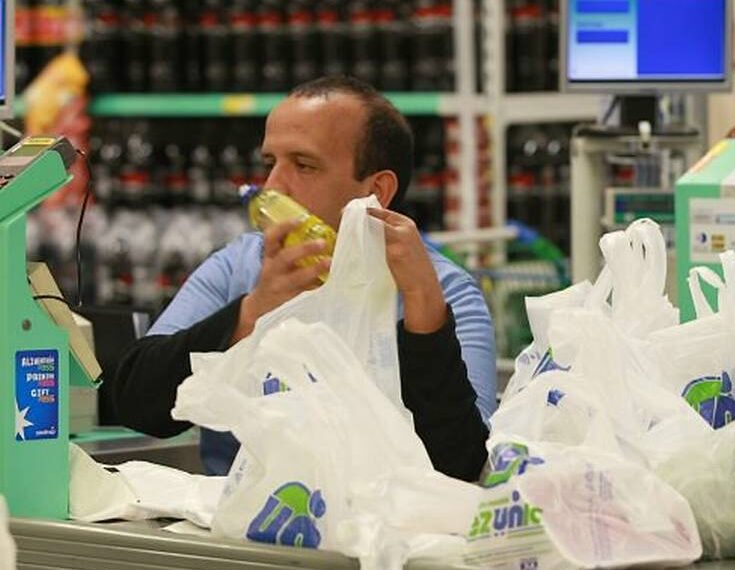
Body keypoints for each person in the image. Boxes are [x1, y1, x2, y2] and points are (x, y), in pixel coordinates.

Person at [108, 76, 497, 480]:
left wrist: (424, 317)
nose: (273, 185)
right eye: (269, 164)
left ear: (377, 191)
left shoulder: (444, 289)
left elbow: (461, 469)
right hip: (237, 530)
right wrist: (252, 312)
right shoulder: (240, 266)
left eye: (304, 165)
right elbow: (137, 403)